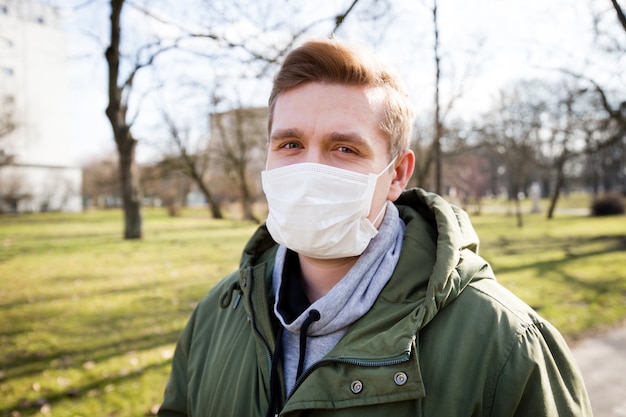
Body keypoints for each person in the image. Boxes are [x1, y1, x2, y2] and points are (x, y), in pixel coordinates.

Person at [158, 38, 593, 417]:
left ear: (397, 175)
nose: (309, 169)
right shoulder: (217, 315)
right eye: (290, 144)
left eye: (344, 148)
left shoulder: (506, 345)